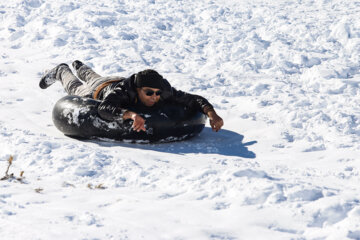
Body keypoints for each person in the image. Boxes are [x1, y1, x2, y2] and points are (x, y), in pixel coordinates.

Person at [39, 60, 224, 132]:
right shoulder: (122, 93)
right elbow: (104, 109)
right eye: (149, 93)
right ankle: (62, 70)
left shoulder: (164, 91)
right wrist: (130, 115)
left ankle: (81, 67)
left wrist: (211, 113)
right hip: (98, 91)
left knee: (94, 77)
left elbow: (194, 99)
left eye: (157, 93)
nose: (154, 97)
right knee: (76, 86)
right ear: (138, 90)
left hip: (113, 79)